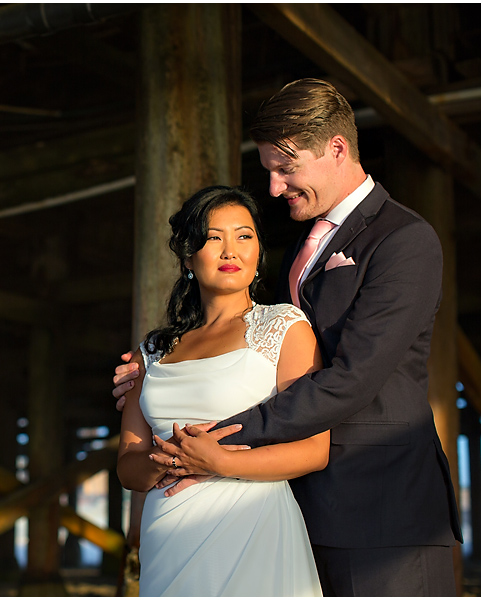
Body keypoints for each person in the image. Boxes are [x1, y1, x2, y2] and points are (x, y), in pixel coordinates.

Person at [113, 78, 462, 596]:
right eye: (269, 172)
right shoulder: (305, 241)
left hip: (383, 510)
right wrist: (160, 377)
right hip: (295, 509)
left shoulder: (404, 240)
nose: (275, 188)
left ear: (336, 149)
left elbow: (352, 378)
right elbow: (256, 350)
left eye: (285, 167)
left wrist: (213, 439)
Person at [118, 185, 326, 596]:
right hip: (168, 534)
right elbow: (129, 467)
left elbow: (315, 451)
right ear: (188, 256)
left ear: (258, 251)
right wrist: (172, 458)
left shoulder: (285, 326)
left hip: (252, 526)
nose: (231, 250)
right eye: (214, 238)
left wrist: (217, 462)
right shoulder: (152, 351)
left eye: (244, 236)